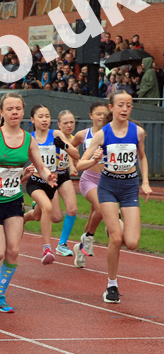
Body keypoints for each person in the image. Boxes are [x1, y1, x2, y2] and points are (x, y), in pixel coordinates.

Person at [0, 93, 57, 312]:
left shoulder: (28, 139)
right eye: (10, 109)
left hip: (14, 200)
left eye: (18, 108)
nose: (14, 112)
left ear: (23, 112)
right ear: (2, 113)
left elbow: (40, 167)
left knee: (13, 251)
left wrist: (48, 176)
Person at [76, 90, 151, 303]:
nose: (125, 109)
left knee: (133, 242)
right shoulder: (102, 134)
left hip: (129, 187)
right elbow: (81, 164)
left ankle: (115, 230)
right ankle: (111, 285)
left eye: (128, 105)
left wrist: (145, 182)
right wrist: (94, 159)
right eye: (120, 105)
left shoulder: (138, 132)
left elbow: (143, 158)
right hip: (107, 186)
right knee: (116, 238)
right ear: (112, 107)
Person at [21, 105, 78, 264]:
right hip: (38, 182)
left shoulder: (57, 134)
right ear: (32, 120)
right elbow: (18, 160)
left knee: (51, 215)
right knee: (49, 210)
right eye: (40, 116)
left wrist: (64, 145)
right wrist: (23, 171)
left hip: (58, 177)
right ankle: (47, 249)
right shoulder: (28, 138)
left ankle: (25, 218)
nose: (45, 119)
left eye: (47, 116)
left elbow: (76, 154)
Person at [70, 102, 110, 268]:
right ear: (91, 115)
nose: (101, 116)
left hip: (107, 180)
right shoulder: (83, 134)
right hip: (89, 179)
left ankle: (81, 248)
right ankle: (88, 239)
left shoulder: (111, 133)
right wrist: (73, 165)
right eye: (98, 113)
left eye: (104, 113)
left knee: (95, 215)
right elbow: (71, 149)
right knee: (100, 209)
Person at [53, 110, 81, 257]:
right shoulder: (55, 135)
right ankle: (31, 211)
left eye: (72, 122)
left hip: (63, 176)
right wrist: (72, 164)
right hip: (49, 177)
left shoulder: (74, 139)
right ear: (59, 124)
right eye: (66, 123)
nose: (69, 125)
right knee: (55, 217)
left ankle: (62, 244)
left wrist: (76, 166)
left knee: (72, 209)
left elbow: (74, 156)